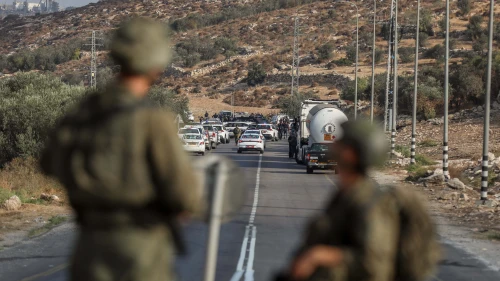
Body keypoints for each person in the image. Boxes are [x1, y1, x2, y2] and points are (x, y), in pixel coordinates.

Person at [40, 17, 202, 281]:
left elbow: (49, 162)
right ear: (157, 65)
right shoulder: (153, 121)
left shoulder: (82, 113)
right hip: (141, 249)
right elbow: (185, 195)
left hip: (90, 245)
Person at [278, 121, 440, 281]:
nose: (334, 144)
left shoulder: (370, 203)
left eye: (341, 142)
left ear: (351, 154)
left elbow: (374, 266)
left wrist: (321, 256)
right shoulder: (345, 195)